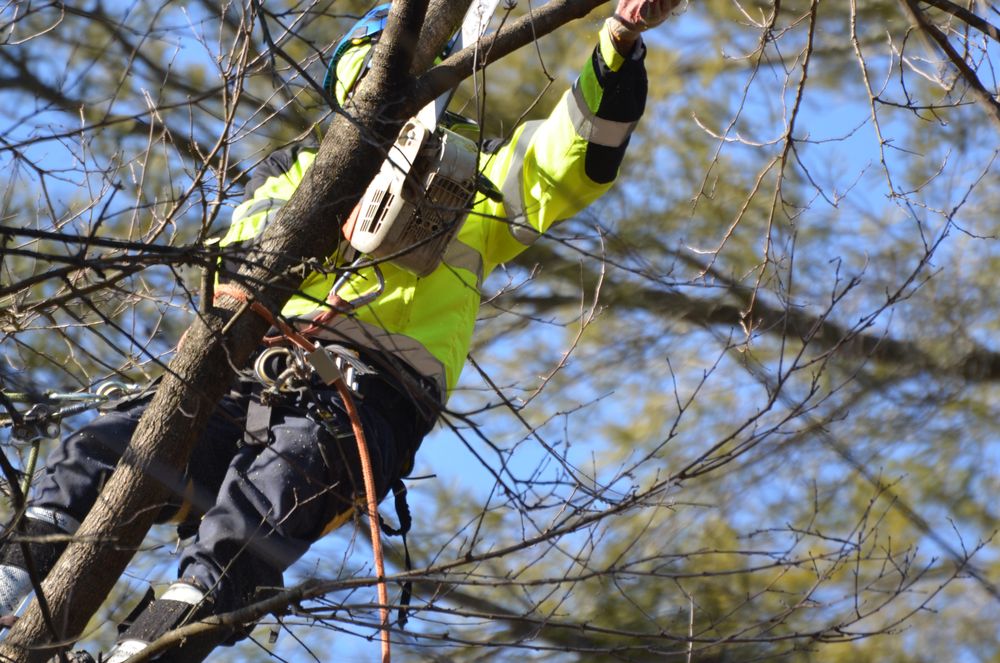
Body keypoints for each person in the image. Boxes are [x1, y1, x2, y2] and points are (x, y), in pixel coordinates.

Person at [0, 0, 680, 659]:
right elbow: (228, 282)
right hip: (242, 377)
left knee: (253, 517)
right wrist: (328, 222)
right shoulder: (287, 185)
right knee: (102, 451)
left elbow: (573, 159)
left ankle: (160, 637)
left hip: (362, 399)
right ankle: (12, 588)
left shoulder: (473, 185)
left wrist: (619, 42)